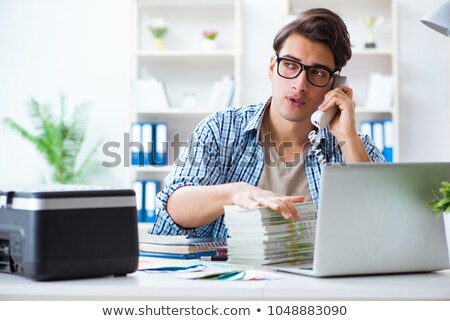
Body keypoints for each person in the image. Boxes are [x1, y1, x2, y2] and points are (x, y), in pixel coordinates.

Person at [151, 8, 385, 238]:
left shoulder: (355, 145)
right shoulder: (220, 129)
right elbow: (172, 211)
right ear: (272, 68)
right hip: (238, 275)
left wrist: (348, 139)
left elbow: (383, 224)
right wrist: (234, 192)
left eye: (317, 73)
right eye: (290, 65)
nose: (300, 84)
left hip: (319, 277)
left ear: (335, 84)